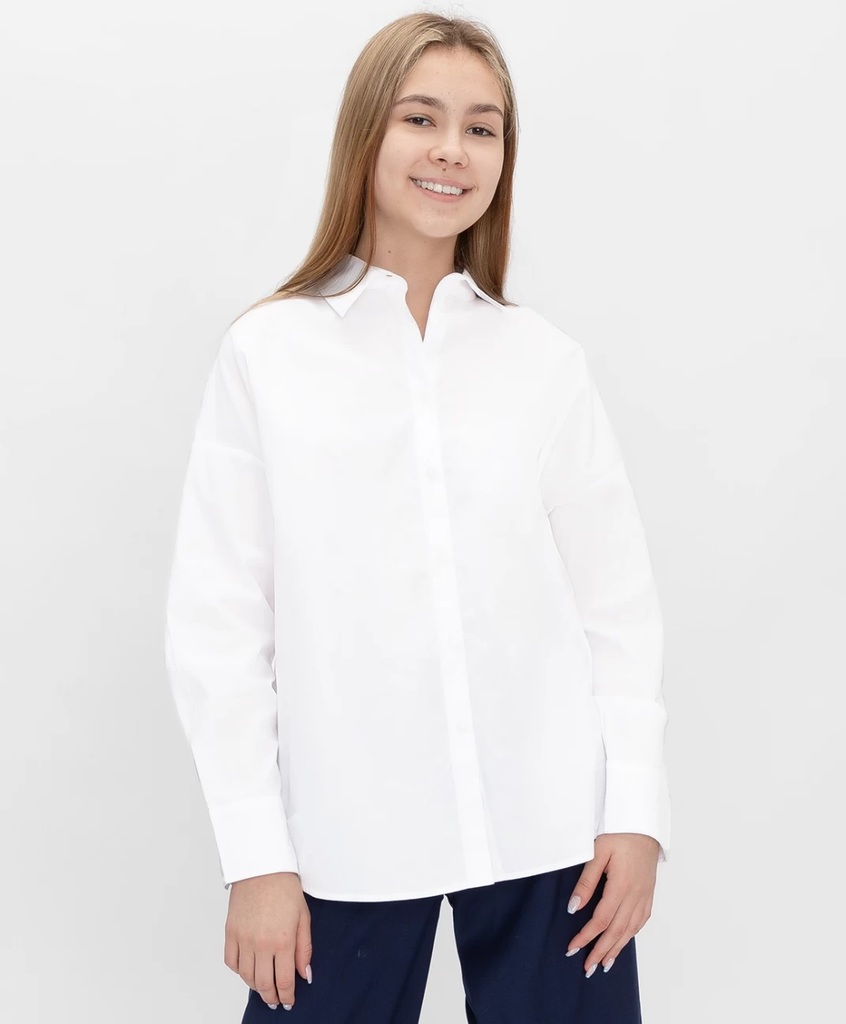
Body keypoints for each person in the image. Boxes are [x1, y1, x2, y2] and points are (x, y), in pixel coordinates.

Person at [164, 10, 671, 1022]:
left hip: (553, 833)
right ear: (367, 133)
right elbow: (220, 622)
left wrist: (637, 812)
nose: (453, 150)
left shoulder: (543, 363)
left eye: (482, 128)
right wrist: (256, 855)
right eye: (421, 118)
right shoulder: (268, 354)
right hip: (348, 835)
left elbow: (616, 608)